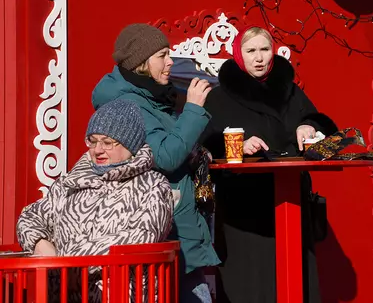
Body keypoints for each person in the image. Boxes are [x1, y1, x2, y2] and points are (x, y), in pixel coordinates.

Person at [201, 26, 337, 303]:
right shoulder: (219, 97)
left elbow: (322, 123)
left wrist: (309, 126)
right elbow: (204, 143)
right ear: (239, 55)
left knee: (294, 278)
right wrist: (238, 146)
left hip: (291, 199)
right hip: (244, 208)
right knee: (253, 283)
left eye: (265, 49)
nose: (259, 57)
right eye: (251, 51)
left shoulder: (289, 91)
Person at [91, 24, 219, 303]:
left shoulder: (151, 97)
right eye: (162, 55)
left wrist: (197, 152)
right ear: (141, 62)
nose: (171, 61)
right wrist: (194, 109)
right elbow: (165, 156)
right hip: (163, 231)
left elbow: (171, 142)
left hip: (176, 229)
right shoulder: (131, 104)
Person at [16, 99, 173, 302]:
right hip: (64, 296)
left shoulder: (153, 185)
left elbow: (142, 236)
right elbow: (31, 216)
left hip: (119, 295)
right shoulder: (69, 182)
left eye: (107, 143)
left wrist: (67, 261)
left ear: (130, 145)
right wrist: (40, 243)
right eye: (92, 141)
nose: (97, 150)